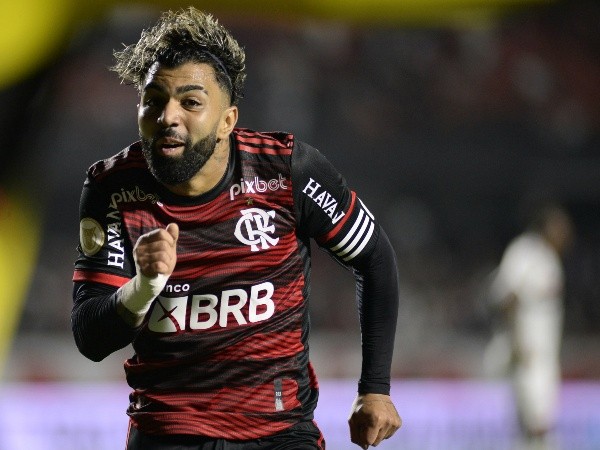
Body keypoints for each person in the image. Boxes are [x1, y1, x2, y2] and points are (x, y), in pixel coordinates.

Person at [71, 7, 401, 450]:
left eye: (191, 102)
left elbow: (374, 258)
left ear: (227, 121)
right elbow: (90, 338)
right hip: (170, 433)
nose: (168, 116)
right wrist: (143, 287)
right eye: (154, 100)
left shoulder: (286, 171)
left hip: (280, 432)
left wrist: (375, 389)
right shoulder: (113, 188)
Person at [484, 203, 574, 449]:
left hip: (543, 351)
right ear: (546, 226)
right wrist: (517, 339)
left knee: (536, 421)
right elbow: (506, 297)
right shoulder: (526, 250)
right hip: (528, 349)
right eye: (560, 227)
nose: (566, 233)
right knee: (536, 421)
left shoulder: (549, 258)